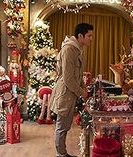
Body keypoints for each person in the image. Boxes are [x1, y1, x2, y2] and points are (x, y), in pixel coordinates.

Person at [49, 23, 93, 157]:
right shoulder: (69, 49)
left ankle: (62, 153)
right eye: (89, 36)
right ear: (80, 36)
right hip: (65, 94)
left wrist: (84, 88)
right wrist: (81, 92)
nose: (91, 39)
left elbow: (77, 75)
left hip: (70, 93)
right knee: (62, 127)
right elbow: (68, 78)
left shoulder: (78, 49)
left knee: (65, 126)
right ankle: (61, 154)